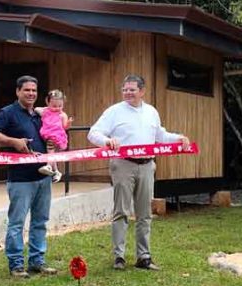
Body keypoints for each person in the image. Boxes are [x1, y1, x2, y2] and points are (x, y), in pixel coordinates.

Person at [87, 75, 191, 271]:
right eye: (125, 89)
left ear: (142, 91)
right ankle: (119, 257)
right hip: (123, 165)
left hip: (147, 165)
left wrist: (179, 138)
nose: (127, 93)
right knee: (121, 211)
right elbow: (93, 133)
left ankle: (144, 257)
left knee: (144, 213)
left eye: (132, 89)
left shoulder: (151, 112)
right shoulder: (114, 111)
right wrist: (106, 142)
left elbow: (160, 135)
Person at [0, 76, 58, 278]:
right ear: (18, 92)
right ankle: (16, 265)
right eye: (27, 90)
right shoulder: (8, 113)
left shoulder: (39, 115)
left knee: (40, 221)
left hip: (43, 176)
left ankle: (37, 261)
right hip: (20, 179)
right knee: (17, 223)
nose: (31, 94)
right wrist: (14, 142)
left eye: (34, 91)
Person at [36, 89, 72, 183]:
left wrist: (69, 123)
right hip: (47, 133)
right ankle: (56, 171)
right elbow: (36, 109)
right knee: (51, 152)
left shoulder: (62, 115)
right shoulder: (45, 111)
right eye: (54, 106)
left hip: (57, 135)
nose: (57, 108)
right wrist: (44, 109)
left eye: (60, 106)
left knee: (50, 148)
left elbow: (65, 127)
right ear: (48, 102)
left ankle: (48, 165)